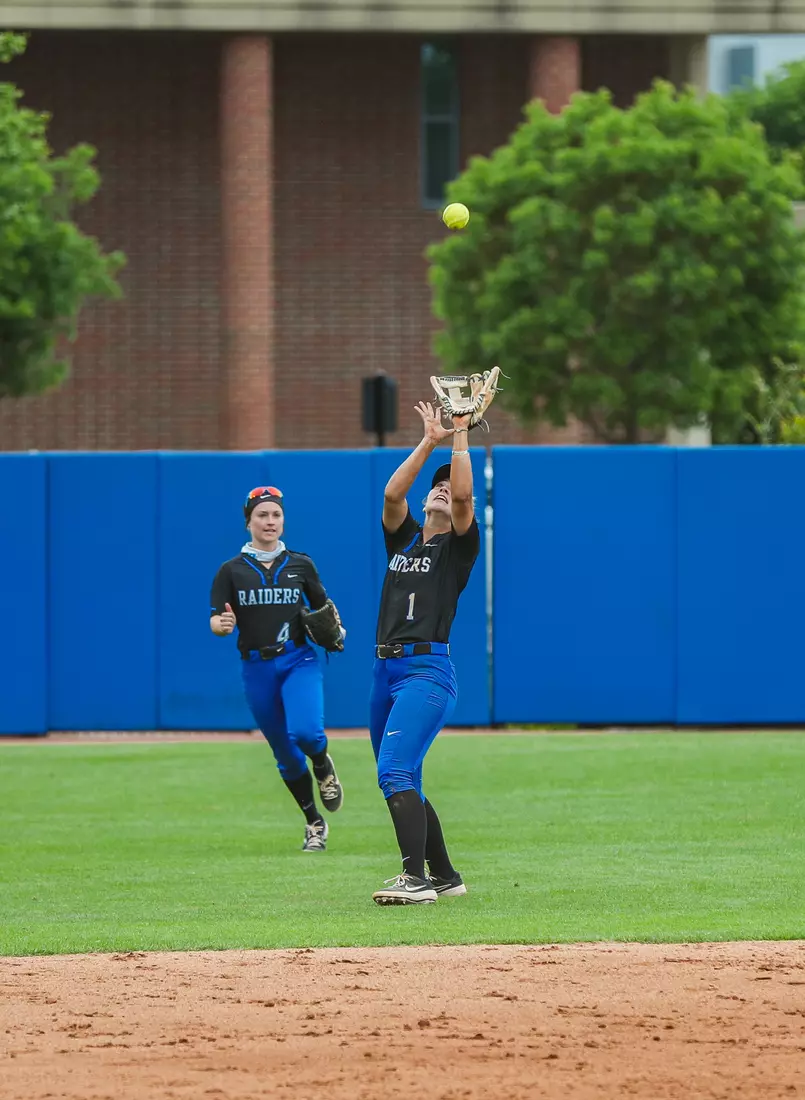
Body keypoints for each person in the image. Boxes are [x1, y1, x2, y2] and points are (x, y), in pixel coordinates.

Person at [369, 400, 481, 904]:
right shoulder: (404, 543)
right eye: (433, 485)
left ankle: (415, 879)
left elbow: (462, 498)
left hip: (427, 670)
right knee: (401, 775)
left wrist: (460, 435)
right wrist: (428, 441)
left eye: (444, 484)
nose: (440, 488)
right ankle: (446, 875)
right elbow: (394, 494)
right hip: (384, 672)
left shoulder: (458, 547)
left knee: (393, 770)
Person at [209, 485, 344, 853]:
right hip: (256, 667)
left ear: (283, 520)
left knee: (306, 733)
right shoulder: (231, 571)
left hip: (297, 659)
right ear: (248, 522)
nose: (270, 522)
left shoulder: (300, 564)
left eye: (276, 515)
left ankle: (322, 763)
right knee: (284, 755)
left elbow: (323, 607)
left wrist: (334, 625)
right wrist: (221, 625)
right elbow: (217, 620)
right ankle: (314, 822)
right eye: (262, 515)